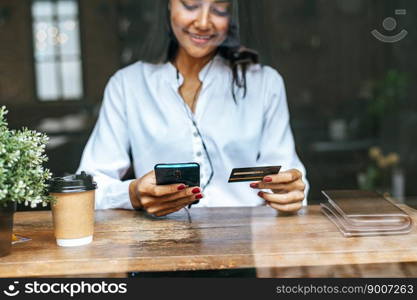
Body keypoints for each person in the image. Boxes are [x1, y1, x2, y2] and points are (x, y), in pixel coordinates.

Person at [77, 0, 308, 216]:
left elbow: (287, 175)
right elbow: (88, 187)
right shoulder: (127, 85)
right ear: (168, 4)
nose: (203, 23)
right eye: (191, 5)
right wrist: (133, 194)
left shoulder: (265, 82)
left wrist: (292, 191)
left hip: (247, 244)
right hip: (159, 247)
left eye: (219, 9)